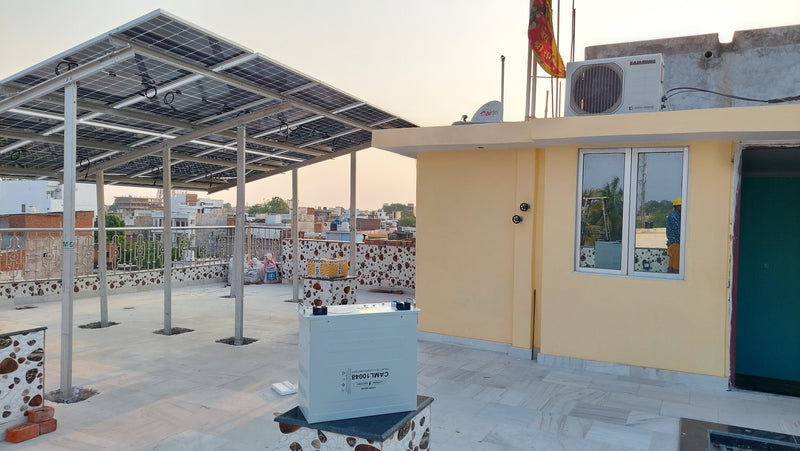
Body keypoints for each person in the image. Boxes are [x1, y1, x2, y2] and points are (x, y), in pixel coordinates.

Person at [666, 197, 681, 273]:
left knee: (672, 265)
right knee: (676, 267)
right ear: (677, 207)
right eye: (681, 206)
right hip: (675, 244)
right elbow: (679, 231)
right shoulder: (675, 217)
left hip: (673, 244)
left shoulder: (672, 216)